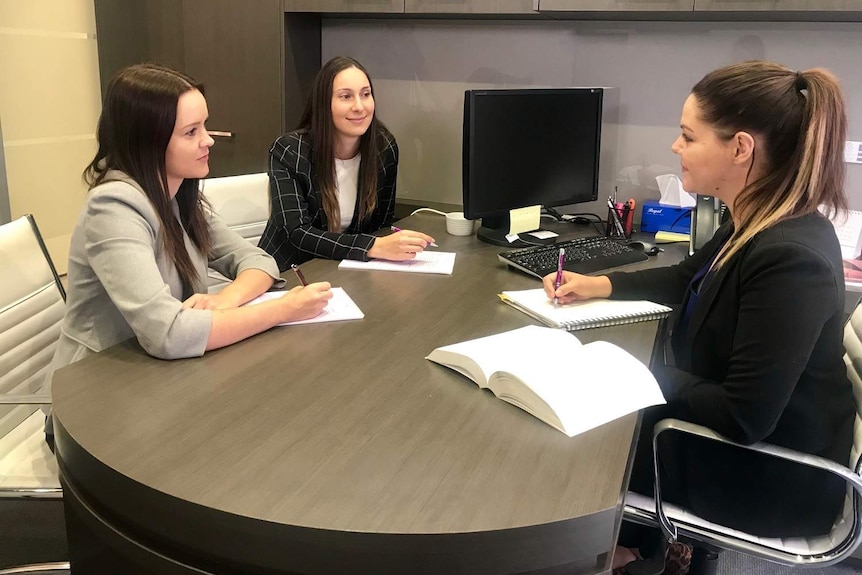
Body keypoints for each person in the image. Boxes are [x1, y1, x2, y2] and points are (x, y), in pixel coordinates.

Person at [544, 61, 854, 572]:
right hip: (748, 443)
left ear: (740, 148)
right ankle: (634, 545)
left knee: (588, 435)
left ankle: (593, 551)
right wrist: (596, 285)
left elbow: (742, 417)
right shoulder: (755, 214)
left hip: (772, 478)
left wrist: (641, 372)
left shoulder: (790, 258)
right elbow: (683, 277)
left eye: (688, 136)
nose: (675, 147)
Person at [43, 63, 332, 444]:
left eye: (205, 126)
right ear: (149, 140)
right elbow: (168, 333)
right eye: (191, 132)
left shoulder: (180, 195)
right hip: (94, 404)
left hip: (159, 382)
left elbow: (260, 260)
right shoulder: (113, 207)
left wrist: (227, 300)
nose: (209, 140)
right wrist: (283, 310)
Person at [258, 56, 435, 271]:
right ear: (324, 103)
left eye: (365, 94)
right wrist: (372, 246)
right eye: (346, 96)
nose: (359, 106)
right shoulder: (289, 150)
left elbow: (381, 224)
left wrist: (388, 245)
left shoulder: (383, 147)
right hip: (290, 270)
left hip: (346, 268)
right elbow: (297, 233)